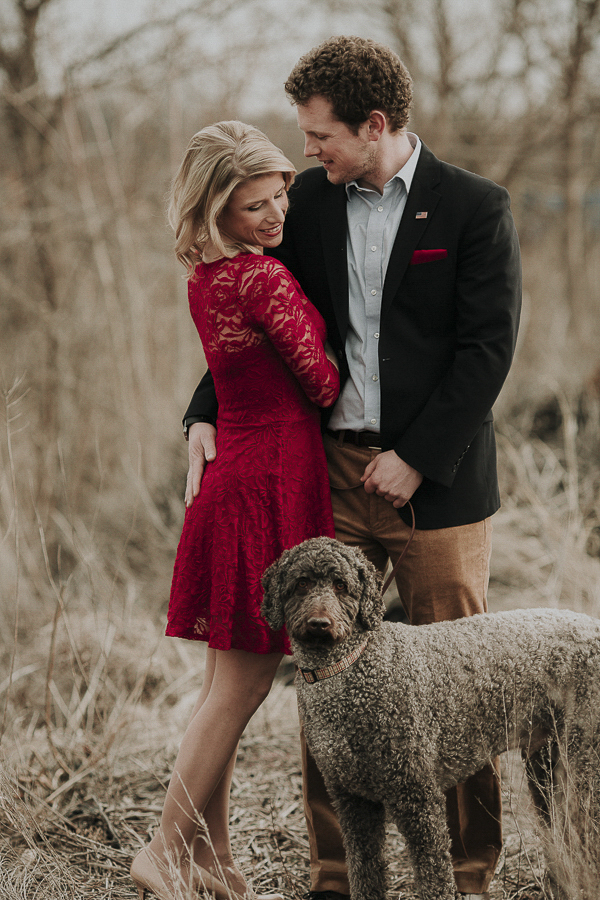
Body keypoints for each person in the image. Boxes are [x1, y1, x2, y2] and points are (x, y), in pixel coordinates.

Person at [183, 36, 522, 900]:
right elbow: (257, 322)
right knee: (328, 683)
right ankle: (338, 876)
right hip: (326, 475)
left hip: (437, 484)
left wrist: (416, 458)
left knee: (462, 687)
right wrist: (202, 412)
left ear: (374, 125)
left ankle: (471, 875)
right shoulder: (305, 205)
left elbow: (487, 352)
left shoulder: (474, 207)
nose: (307, 153)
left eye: (320, 135)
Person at [130, 121, 340, 900]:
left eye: (279, 193)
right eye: (255, 205)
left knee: (223, 685)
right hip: (268, 484)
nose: (277, 213)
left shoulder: (208, 279)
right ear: (217, 209)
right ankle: (161, 848)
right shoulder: (264, 281)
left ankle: (212, 858)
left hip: (233, 482)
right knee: (243, 688)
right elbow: (320, 384)